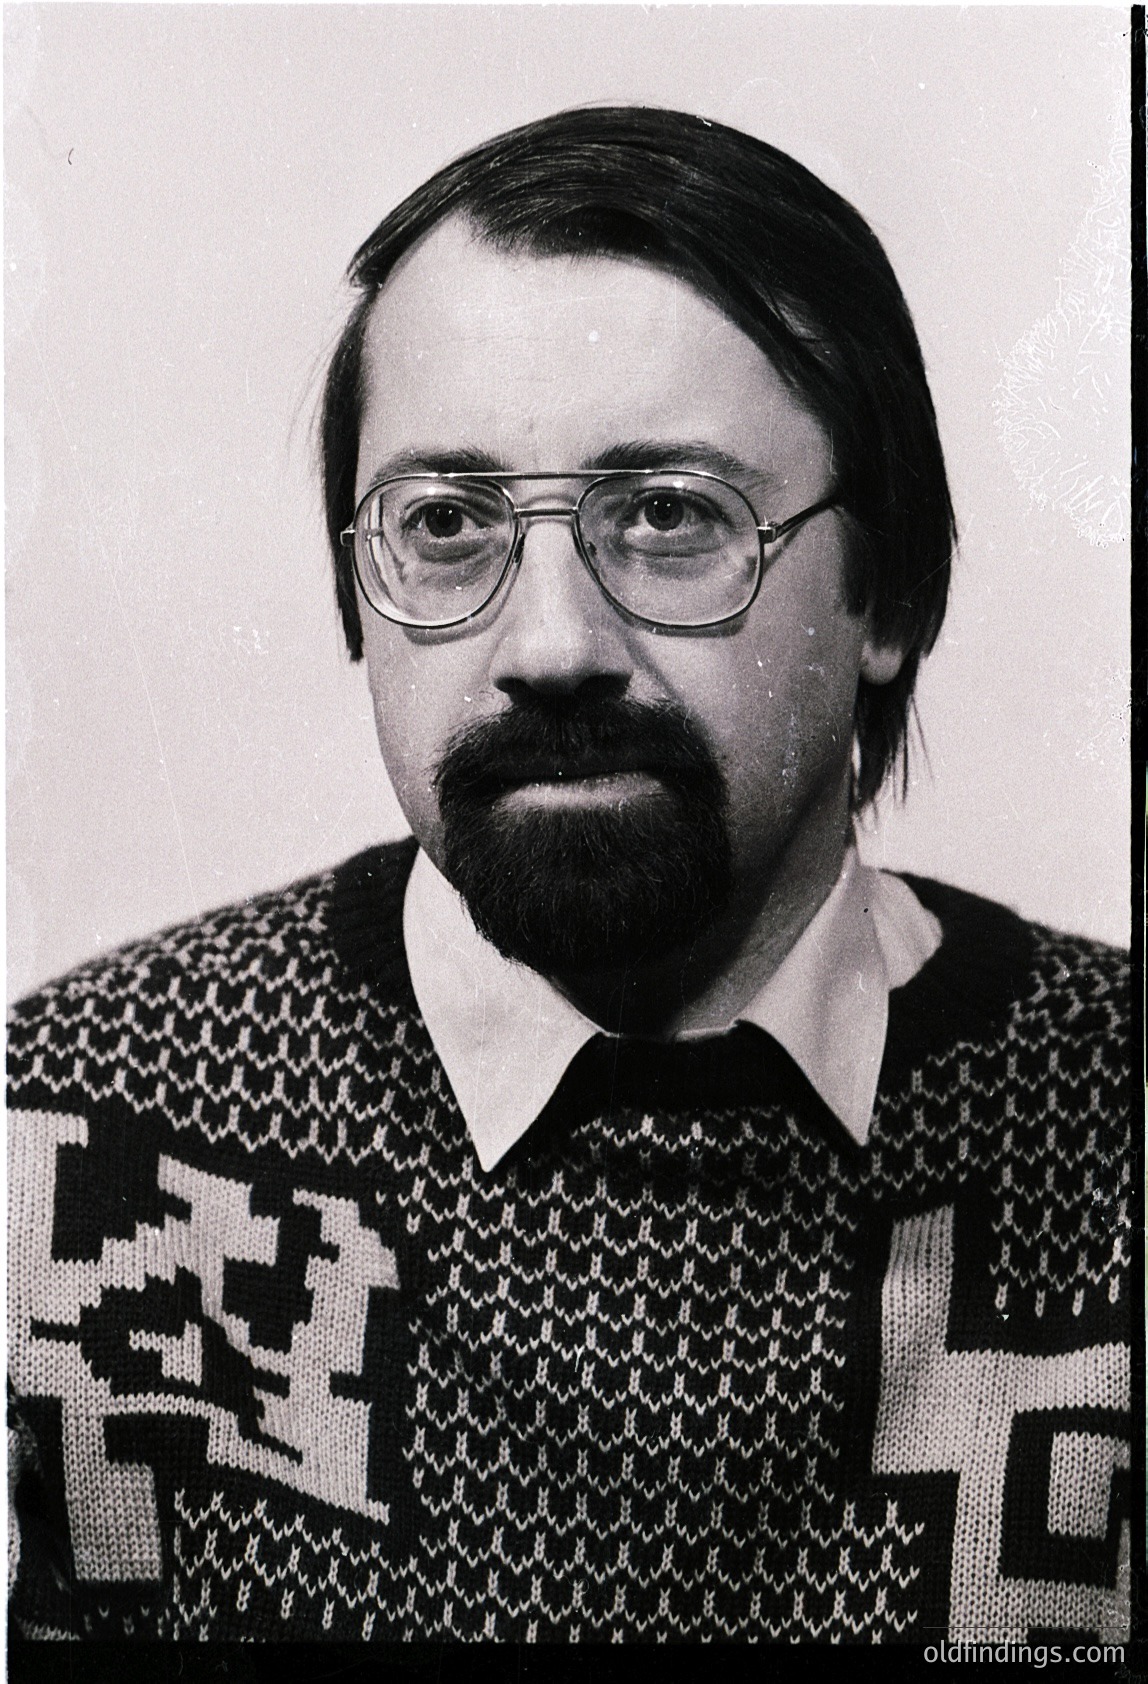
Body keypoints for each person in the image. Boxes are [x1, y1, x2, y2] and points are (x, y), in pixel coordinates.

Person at [7, 106, 1130, 1647]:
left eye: (669, 516)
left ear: (891, 594)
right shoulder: (57, 1155)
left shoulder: (1118, 1135)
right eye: (447, 523)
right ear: (355, 593)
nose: (548, 646)